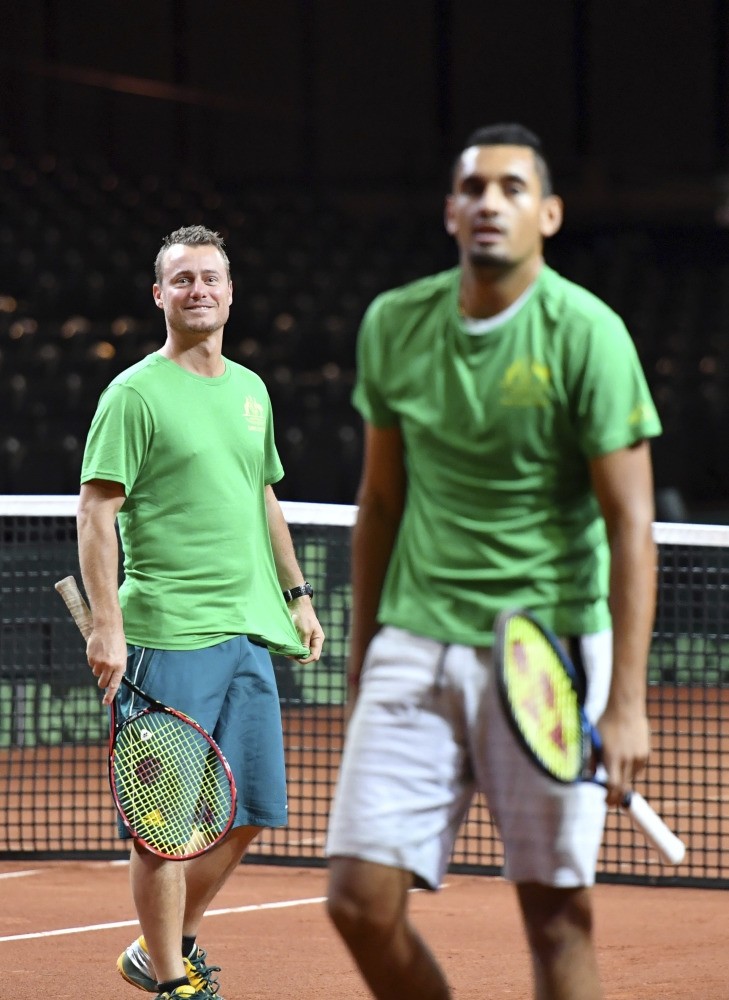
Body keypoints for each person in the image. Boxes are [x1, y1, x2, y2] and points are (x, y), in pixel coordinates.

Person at [325, 123, 661, 1000]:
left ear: (547, 214)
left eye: (512, 188)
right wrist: (362, 660)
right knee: (357, 901)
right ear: (449, 212)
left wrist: (625, 703)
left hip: (547, 651)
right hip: (415, 636)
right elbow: (380, 503)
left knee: (555, 922)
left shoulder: (587, 334)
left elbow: (630, 523)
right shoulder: (395, 324)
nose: (489, 203)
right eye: (473, 188)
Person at [77, 225, 324, 1000]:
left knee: (249, 813)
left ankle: (165, 947)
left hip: (248, 631)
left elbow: (262, 495)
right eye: (181, 279)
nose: (198, 290)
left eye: (209, 277)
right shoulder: (134, 395)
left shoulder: (251, 390)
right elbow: (95, 511)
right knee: (163, 828)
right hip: (167, 636)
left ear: (229, 292)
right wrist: (108, 623)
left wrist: (296, 594)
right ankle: (171, 981)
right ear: (160, 295)